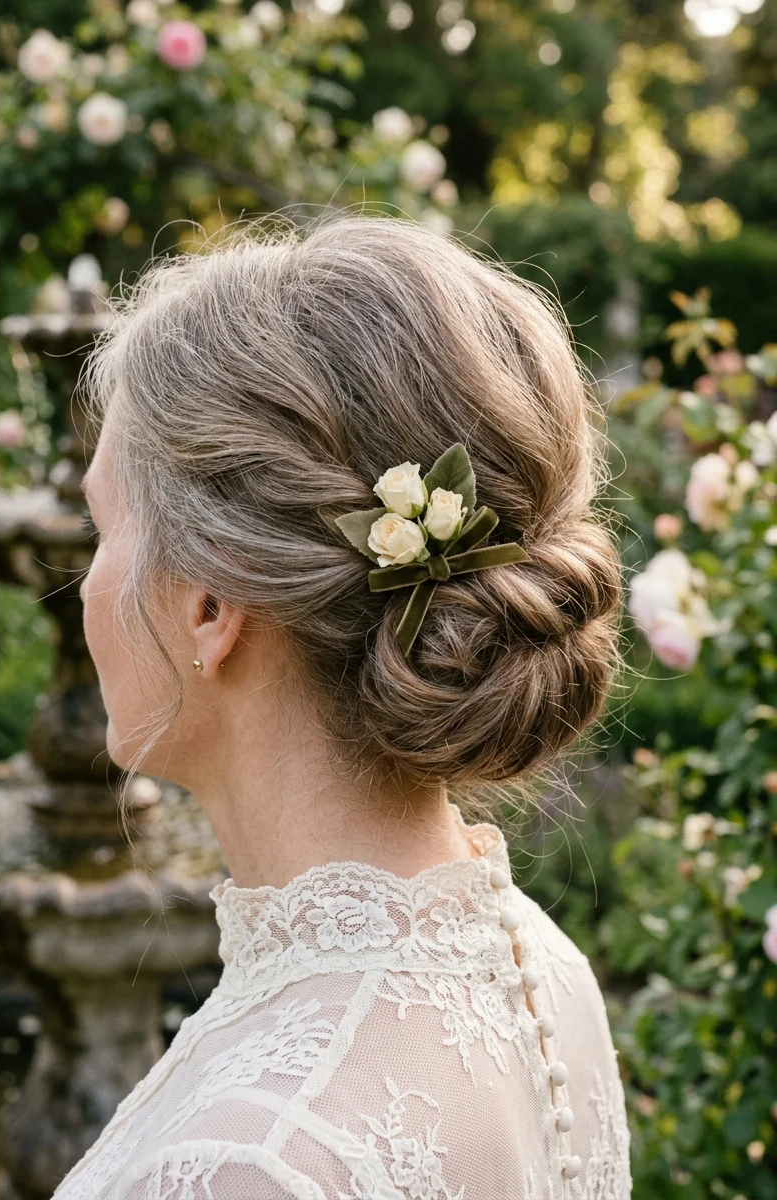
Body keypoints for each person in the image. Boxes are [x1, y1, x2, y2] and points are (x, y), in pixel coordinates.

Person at [57, 213, 631, 1200]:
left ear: (206, 605)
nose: (82, 587)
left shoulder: (251, 1160)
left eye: (102, 526)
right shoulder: (537, 969)